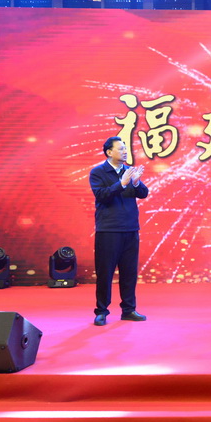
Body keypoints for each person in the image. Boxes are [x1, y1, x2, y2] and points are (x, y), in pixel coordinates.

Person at [90, 136, 148, 327]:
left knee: (129, 272)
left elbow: (143, 194)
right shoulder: (98, 172)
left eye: (125, 149)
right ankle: (101, 311)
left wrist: (136, 182)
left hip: (130, 228)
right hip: (108, 230)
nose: (125, 151)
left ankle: (128, 310)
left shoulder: (128, 171)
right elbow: (101, 195)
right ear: (109, 152)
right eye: (121, 149)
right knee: (105, 273)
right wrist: (122, 183)